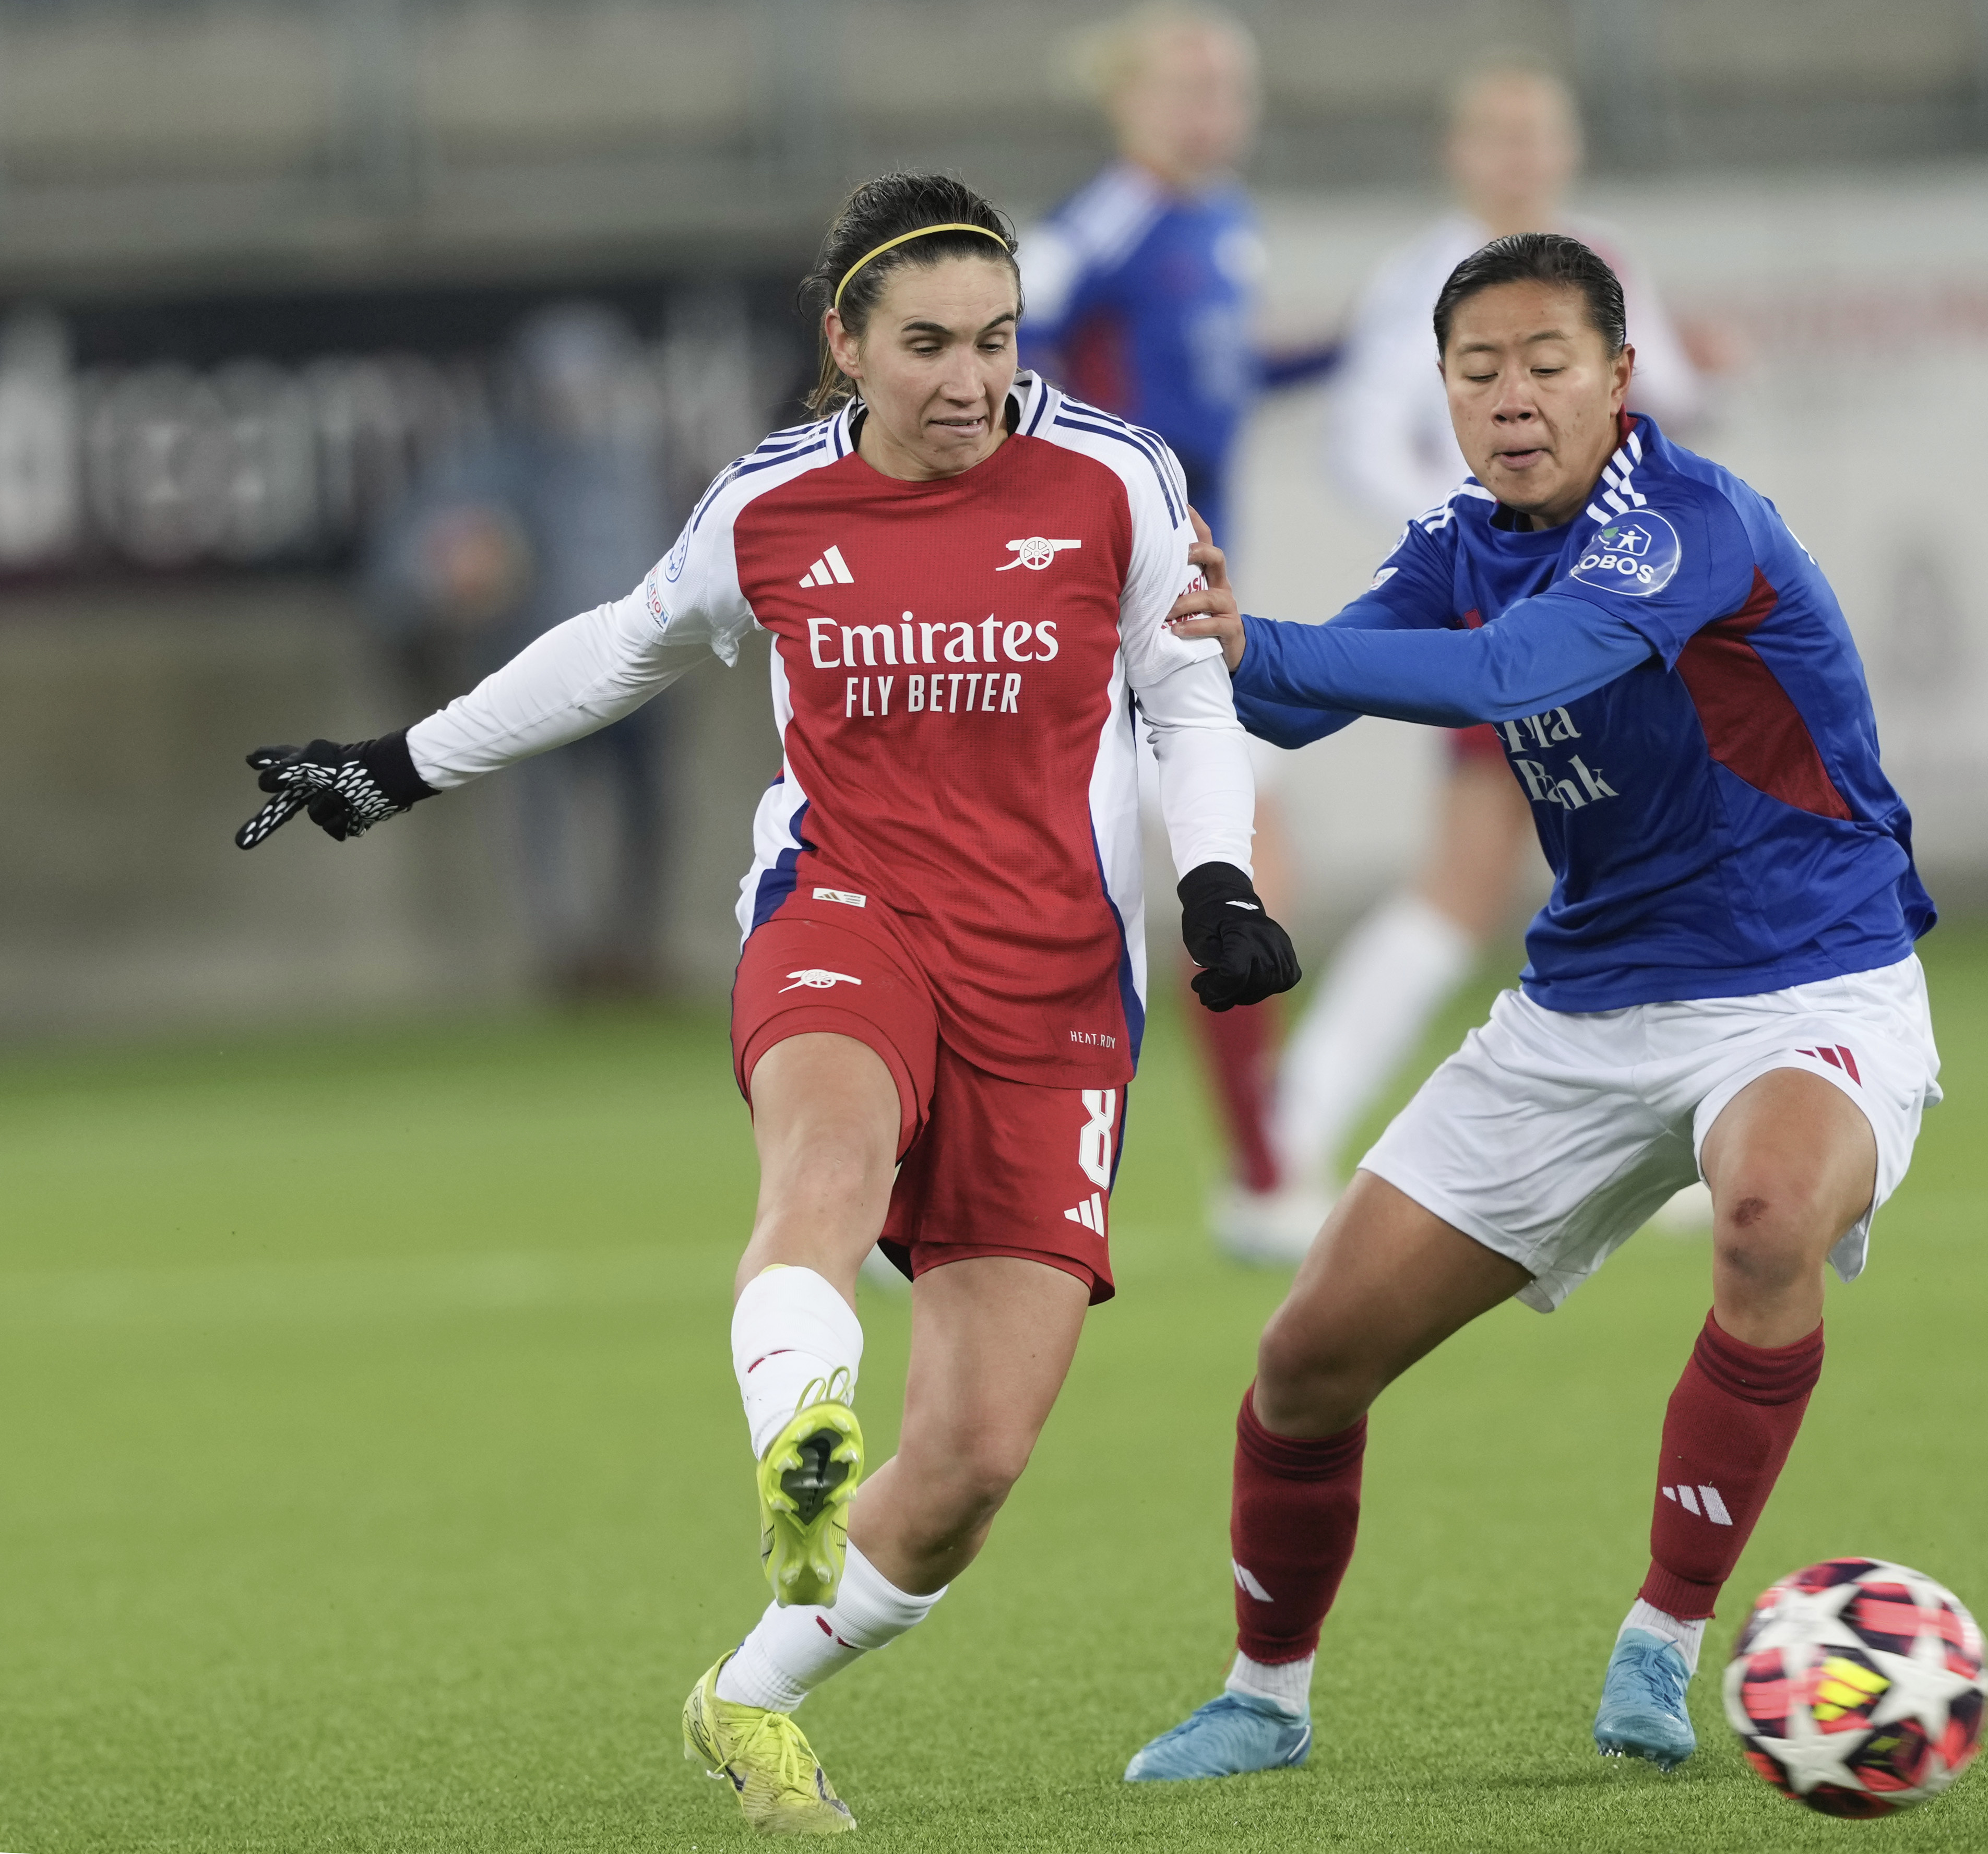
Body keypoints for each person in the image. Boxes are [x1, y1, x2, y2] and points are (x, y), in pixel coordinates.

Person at [233, 172, 1300, 1836]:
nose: (970, 380)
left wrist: (1218, 878)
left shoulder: (1114, 479)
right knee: (824, 1176)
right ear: (846, 345)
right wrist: (393, 767)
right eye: (930, 344)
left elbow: (1184, 685)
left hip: (1057, 982)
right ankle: (800, 1429)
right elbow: (615, 647)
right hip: (846, 915)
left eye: (998, 339)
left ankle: (747, 1696)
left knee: (970, 1469)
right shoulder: (770, 508)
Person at [1122, 232, 1942, 1782]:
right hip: (1579, 1014)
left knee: (1766, 1213)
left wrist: (1265, 648)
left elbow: (1513, 672)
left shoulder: (1686, 519)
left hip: (1804, 981)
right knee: (1305, 1360)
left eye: (1547, 364)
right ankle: (1263, 1695)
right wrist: (1192, 630)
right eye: (1478, 371)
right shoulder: (1458, 535)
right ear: (1442, 390)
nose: (1512, 399)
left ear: (1619, 378)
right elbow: (1309, 688)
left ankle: (1665, 1636)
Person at [1274, 54, 1710, 1212]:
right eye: (1498, 137)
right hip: (1516, 612)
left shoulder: (1606, 260)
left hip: (1625, 608)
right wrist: (1481, 532)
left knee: (1641, 859)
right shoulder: (1421, 280)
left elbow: (1659, 403)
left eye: (1539, 135)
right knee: (1469, 879)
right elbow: (1362, 440)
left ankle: (1672, 1139)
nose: (1521, 158)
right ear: (1458, 155)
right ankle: (1295, 1125)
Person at [1018, 1, 1335, 1263]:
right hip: (1103, 592)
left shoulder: (1217, 221)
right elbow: (1008, 359)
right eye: (1187, 82)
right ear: (1129, 100)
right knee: (1106, 883)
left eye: (1227, 83)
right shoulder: (1104, 221)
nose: (1212, 105)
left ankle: (1258, 1174)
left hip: (1182, 585)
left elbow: (1219, 377)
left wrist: (1360, 352)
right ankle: (1256, 1181)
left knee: (1231, 865)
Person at [366, 302, 678, 999]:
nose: (577, 404)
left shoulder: (632, 465)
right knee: (548, 814)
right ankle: (565, 953)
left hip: (641, 678)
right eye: (562, 388)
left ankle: (634, 947)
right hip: (546, 674)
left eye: (590, 385)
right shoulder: (493, 467)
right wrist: (448, 575)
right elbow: (412, 559)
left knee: (645, 808)